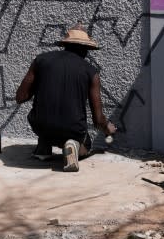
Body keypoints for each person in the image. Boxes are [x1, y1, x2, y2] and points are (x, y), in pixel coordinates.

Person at [15, 24, 117, 172]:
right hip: (71, 128)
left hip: (40, 125)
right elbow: (98, 120)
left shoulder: (41, 60)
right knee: (86, 144)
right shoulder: (91, 72)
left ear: (65, 45)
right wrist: (109, 129)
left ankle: (43, 148)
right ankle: (73, 145)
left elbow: (20, 97)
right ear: (86, 50)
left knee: (45, 126)